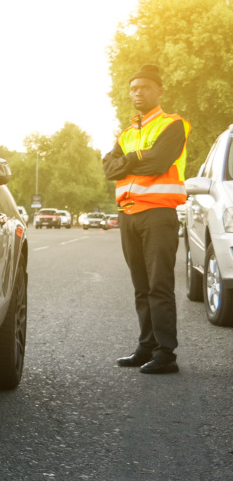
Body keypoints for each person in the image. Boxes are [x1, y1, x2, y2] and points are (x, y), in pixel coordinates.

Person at [102, 63, 190, 375]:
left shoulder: (172, 125)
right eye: (133, 89)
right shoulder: (126, 134)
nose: (138, 93)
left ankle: (166, 354)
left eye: (144, 88)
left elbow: (158, 162)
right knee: (141, 285)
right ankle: (147, 346)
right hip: (128, 215)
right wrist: (134, 159)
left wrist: (128, 162)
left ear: (159, 90)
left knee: (159, 285)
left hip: (157, 215)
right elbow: (109, 168)